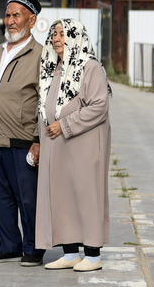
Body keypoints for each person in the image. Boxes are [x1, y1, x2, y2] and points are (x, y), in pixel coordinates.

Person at [36, 18, 111, 272]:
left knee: (86, 195)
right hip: (58, 147)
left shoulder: (90, 67)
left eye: (63, 33)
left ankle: (92, 254)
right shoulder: (54, 68)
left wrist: (64, 125)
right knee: (63, 196)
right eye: (54, 34)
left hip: (83, 145)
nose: (57, 38)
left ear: (75, 37)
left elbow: (99, 106)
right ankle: (70, 252)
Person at [0, 0, 46, 267]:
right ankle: (9, 245)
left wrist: (38, 139)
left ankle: (33, 249)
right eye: (7, 15)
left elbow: (45, 99)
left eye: (16, 15)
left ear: (32, 20)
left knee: (28, 199)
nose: (10, 21)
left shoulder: (41, 54)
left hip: (24, 139)